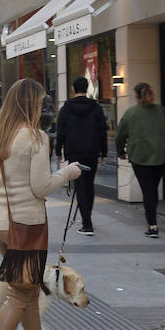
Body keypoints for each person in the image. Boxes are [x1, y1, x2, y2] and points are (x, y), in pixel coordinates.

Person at [0, 77, 82, 330]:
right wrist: (68, 172)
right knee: (19, 294)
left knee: (29, 288)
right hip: (27, 227)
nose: (43, 107)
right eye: (40, 102)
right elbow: (40, 187)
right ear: (32, 104)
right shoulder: (35, 138)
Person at [115, 81, 165, 238]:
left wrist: (120, 151)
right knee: (152, 190)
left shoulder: (131, 113)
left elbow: (120, 135)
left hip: (140, 158)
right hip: (160, 157)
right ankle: (152, 221)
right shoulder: (161, 110)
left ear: (136, 95)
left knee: (148, 191)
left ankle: (152, 225)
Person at [55, 77, 109, 235]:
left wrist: (59, 152)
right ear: (87, 89)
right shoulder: (96, 108)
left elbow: (61, 132)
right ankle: (88, 219)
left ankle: (87, 223)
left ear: (73, 88)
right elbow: (102, 132)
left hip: (74, 153)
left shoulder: (66, 109)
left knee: (80, 186)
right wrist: (104, 153)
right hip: (92, 152)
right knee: (89, 185)